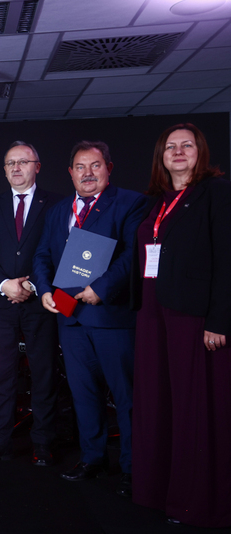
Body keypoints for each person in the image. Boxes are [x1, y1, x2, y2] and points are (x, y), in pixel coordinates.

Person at [130, 123, 231, 527]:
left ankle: (199, 500)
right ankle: (160, 491)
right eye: (170, 146)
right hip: (154, 315)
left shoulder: (216, 193)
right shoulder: (158, 201)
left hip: (195, 318)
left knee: (195, 408)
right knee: (161, 403)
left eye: (187, 145)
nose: (178, 151)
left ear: (200, 152)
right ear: (160, 156)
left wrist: (220, 319)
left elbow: (228, 259)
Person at [32, 141, 145, 496]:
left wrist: (102, 287)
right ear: (70, 173)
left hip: (111, 316)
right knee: (83, 395)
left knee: (126, 398)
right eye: (80, 167)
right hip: (70, 317)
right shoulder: (59, 210)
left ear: (108, 168)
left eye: (95, 166)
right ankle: (93, 459)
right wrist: (45, 289)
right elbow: (42, 254)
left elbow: (133, 254)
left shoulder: (130, 203)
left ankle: (133, 468)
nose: (88, 173)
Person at [0, 141, 60, 464]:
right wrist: (6, 284)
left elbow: (56, 251)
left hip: (40, 303)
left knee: (44, 374)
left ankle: (44, 445)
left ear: (38, 166)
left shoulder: (56, 205)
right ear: (5, 170)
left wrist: (32, 285)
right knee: (2, 375)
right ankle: (0, 442)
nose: (17, 168)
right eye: (11, 163)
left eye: (24, 162)